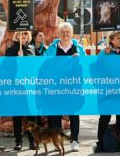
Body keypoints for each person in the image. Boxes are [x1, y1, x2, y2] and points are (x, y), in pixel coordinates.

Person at [45, 22, 85, 152]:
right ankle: (58, 140)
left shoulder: (78, 48)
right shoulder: (52, 48)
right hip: (56, 87)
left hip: (73, 87)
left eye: (68, 32)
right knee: (56, 114)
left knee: (74, 114)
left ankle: (74, 140)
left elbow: (85, 64)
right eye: (63, 32)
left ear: (72, 34)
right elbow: (45, 63)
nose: (65, 34)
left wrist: (80, 59)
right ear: (59, 34)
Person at [95, 31, 120, 153]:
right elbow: (95, 66)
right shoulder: (104, 53)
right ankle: (100, 143)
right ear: (111, 40)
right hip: (107, 91)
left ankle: (119, 142)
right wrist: (103, 55)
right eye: (118, 38)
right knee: (104, 117)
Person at [5, 31, 36, 150]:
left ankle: (32, 140)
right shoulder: (10, 49)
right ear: (16, 36)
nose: (23, 36)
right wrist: (17, 58)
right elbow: (7, 68)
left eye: (25, 33)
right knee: (17, 115)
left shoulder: (32, 49)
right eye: (20, 33)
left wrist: (24, 59)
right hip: (16, 87)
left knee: (31, 116)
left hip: (29, 87)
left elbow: (34, 66)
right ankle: (18, 141)